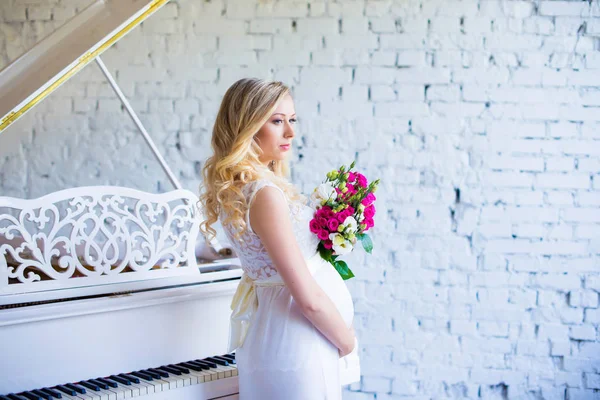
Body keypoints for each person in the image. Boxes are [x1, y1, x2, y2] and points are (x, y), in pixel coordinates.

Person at [198, 78, 356, 399]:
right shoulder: (264, 194)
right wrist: (348, 341)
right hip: (297, 344)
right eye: (277, 121)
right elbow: (308, 299)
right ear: (248, 126)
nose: (290, 132)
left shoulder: (244, 189)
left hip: (283, 339)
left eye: (292, 119)